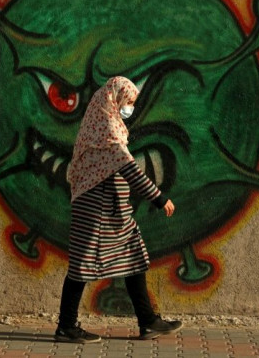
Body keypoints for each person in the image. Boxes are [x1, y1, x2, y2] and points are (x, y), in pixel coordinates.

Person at [55, 76, 182, 343]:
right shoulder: (105, 130)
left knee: (135, 258)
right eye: (129, 102)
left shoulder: (105, 125)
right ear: (116, 99)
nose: (131, 108)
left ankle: (148, 322)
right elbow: (129, 169)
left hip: (114, 212)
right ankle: (66, 326)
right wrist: (159, 198)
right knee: (81, 265)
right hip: (96, 212)